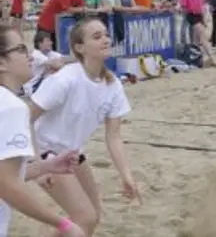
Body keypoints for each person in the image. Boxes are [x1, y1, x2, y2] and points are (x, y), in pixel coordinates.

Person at [27, 19, 140, 236]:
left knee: (93, 216)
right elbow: (26, 118)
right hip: (45, 151)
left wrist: (126, 175)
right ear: (80, 48)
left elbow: (114, 137)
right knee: (84, 218)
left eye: (106, 35)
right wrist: (38, 164)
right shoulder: (65, 79)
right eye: (97, 37)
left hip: (72, 153)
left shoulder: (112, 84)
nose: (106, 40)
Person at [0, 23, 86, 236]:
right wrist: (62, 224)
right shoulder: (11, 107)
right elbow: (6, 184)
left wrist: (45, 166)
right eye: (20, 49)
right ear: (2, 62)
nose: (29, 56)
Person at [180, 0, 216, 66]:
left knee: (197, 39)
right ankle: (212, 57)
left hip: (199, 15)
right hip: (191, 15)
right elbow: (183, 6)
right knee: (203, 36)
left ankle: (197, 57)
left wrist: (203, 18)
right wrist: (186, 15)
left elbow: (201, 6)